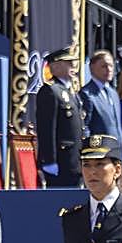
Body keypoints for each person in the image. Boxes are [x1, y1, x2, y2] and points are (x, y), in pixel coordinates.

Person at [35, 49, 84, 188]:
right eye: (68, 63)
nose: (73, 66)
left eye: (73, 62)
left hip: (75, 160)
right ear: (55, 67)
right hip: (62, 161)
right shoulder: (50, 90)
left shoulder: (69, 91)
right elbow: (46, 129)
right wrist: (49, 161)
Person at [80, 50, 122, 140]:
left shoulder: (114, 93)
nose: (109, 69)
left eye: (111, 66)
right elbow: (84, 127)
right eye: (104, 66)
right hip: (99, 151)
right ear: (92, 68)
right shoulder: (86, 94)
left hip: (116, 151)